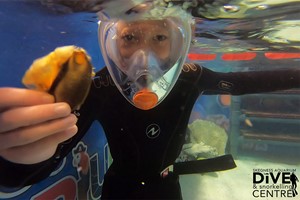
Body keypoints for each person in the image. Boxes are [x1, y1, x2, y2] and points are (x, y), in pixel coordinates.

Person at [0, 2, 299, 199]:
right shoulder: (101, 86)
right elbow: (36, 166)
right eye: (130, 38)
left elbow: (241, 83)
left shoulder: (190, 77)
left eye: (159, 38)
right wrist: (18, 161)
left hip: (167, 187)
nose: (145, 60)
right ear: (112, 41)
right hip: (120, 188)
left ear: (180, 41)